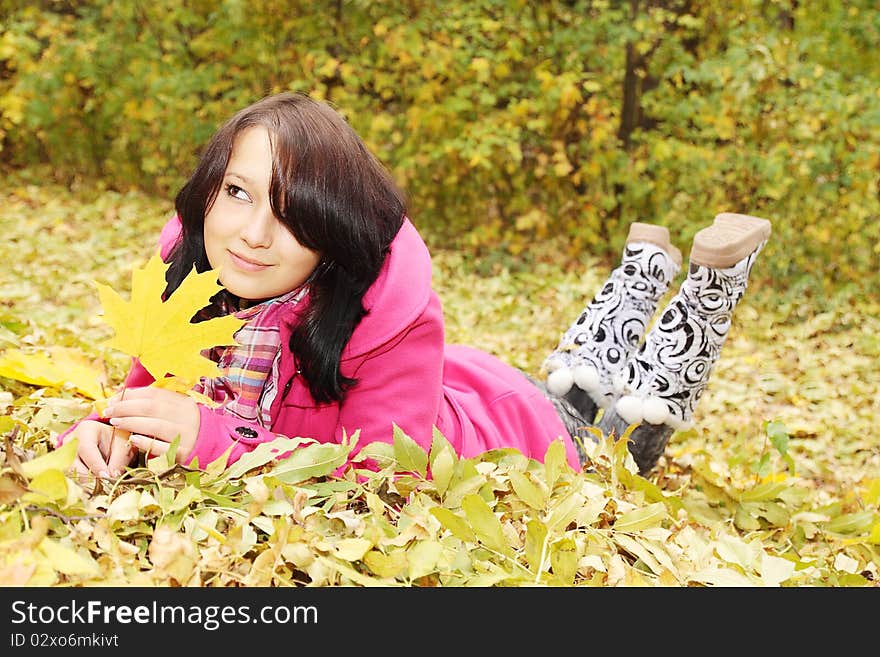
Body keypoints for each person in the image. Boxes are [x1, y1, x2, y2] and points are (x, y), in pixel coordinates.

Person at [57, 92, 771, 481]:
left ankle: (711, 279)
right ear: (208, 189)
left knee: (627, 435)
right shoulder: (185, 277)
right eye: (238, 193)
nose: (252, 234)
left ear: (332, 230)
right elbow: (142, 400)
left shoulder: (381, 312)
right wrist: (98, 433)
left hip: (520, 442)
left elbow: (380, 481)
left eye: (293, 212)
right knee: (577, 382)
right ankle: (644, 265)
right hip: (461, 388)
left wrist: (214, 439)